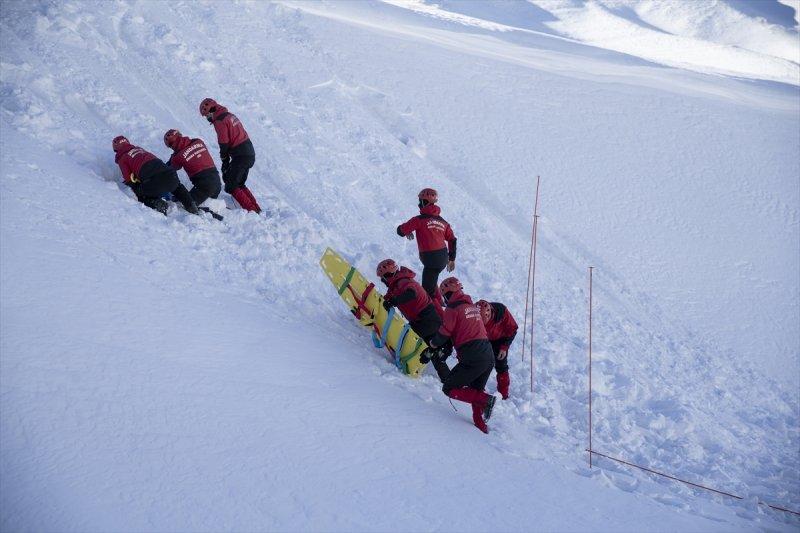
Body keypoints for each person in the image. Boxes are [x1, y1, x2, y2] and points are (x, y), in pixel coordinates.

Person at [427, 277, 496, 433]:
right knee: (476, 390)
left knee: (449, 388)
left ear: (447, 294)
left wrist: (433, 344)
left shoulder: (453, 308)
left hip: (473, 355)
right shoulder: (471, 306)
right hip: (487, 354)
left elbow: (445, 332)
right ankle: (480, 424)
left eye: (444, 295)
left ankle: (486, 400)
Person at [377, 259, 451, 381]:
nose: (383, 281)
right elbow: (387, 298)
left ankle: (404, 363)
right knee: (432, 350)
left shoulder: (404, 281)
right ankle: (448, 379)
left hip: (427, 319)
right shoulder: (395, 286)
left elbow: (411, 293)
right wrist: (385, 301)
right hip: (425, 320)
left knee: (408, 339)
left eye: (383, 278)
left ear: (388, 275)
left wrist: (394, 301)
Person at [199, 98, 261, 213]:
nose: (207, 119)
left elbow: (224, 142)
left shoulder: (219, 121)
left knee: (231, 186)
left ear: (211, 111)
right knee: (239, 184)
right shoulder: (229, 115)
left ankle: (252, 211)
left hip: (240, 154)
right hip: (248, 152)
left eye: (206, 115)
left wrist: (224, 159)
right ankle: (256, 209)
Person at [396, 188, 457, 304]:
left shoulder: (419, 220)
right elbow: (452, 239)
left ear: (425, 202)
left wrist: (407, 230)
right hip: (443, 258)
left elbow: (400, 231)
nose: (419, 204)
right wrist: (452, 258)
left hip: (431, 260)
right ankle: (441, 305)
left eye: (420, 201)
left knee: (427, 293)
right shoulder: (443, 222)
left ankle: (435, 311)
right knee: (432, 280)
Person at [112, 135, 198, 215]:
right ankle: (190, 204)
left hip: (155, 182)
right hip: (170, 175)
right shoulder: (139, 149)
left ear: (116, 149)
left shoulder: (122, 158)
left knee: (140, 193)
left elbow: (129, 179)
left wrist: (137, 188)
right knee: (177, 186)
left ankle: (158, 204)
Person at [164, 129, 222, 206]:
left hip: (204, 187)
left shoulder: (177, 157)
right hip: (217, 182)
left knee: (184, 205)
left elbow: (169, 170)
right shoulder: (198, 141)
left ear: (171, 145)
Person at [476, 300, 518, 400]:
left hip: (500, 340)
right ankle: (477, 389)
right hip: (483, 339)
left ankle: (503, 394)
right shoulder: (473, 314)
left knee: (501, 366)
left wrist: (504, 347)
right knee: (480, 363)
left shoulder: (501, 311)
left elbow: (513, 328)